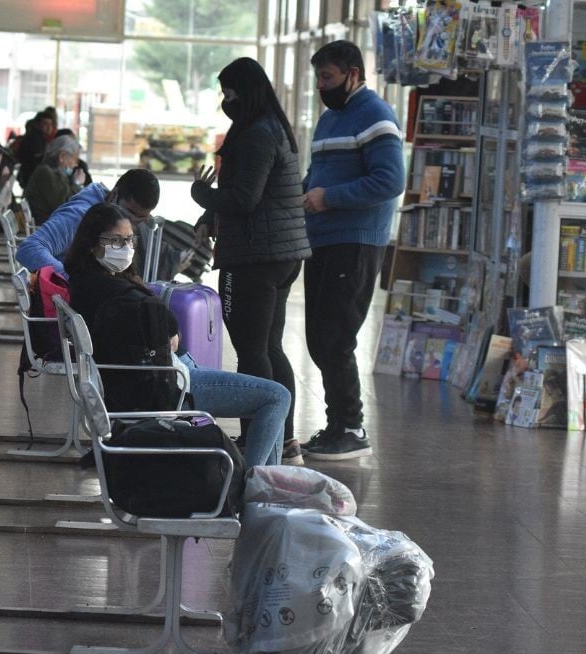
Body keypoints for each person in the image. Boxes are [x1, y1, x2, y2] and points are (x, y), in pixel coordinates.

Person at [65, 203, 287, 468]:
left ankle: (263, 483)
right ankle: (255, 484)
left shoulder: (88, 281)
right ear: (92, 243)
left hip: (167, 372)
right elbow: (160, 318)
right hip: (174, 382)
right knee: (277, 397)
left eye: (128, 240)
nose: (124, 247)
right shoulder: (108, 290)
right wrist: (168, 330)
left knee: (272, 396)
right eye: (115, 240)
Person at [191, 57, 311, 465]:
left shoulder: (259, 134)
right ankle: (285, 441)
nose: (225, 100)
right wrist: (211, 215)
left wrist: (201, 195)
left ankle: (260, 442)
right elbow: (246, 192)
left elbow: (244, 199)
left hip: (256, 257)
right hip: (278, 253)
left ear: (247, 91)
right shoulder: (270, 128)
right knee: (269, 347)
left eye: (229, 92)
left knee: (252, 350)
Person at [299, 40, 405, 461]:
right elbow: (316, 175)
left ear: (353, 74)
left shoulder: (376, 115)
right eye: (319, 78)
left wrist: (330, 198)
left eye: (328, 77)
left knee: (335, 335)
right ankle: (336, 423)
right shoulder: (329, 120)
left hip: (356, 240)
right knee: (318, 337)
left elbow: (390, 180)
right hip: (323, 239)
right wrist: (305, 194)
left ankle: (352, 427)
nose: (322, 86)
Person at [15, 168, 159, 278]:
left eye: (140, 219)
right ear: (114, 195)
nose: (132, 223)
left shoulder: (108, 211)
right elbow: (29, 248)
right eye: (130, 213)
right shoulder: (79, 216)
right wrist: (73, 280)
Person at [24, 135, 86, 225]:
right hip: (49, 225)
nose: (76, 164)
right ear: (62, 156)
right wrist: (77, 183)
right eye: (75, 159)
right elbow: (66, 204)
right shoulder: (46, 173)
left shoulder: (54, 173)